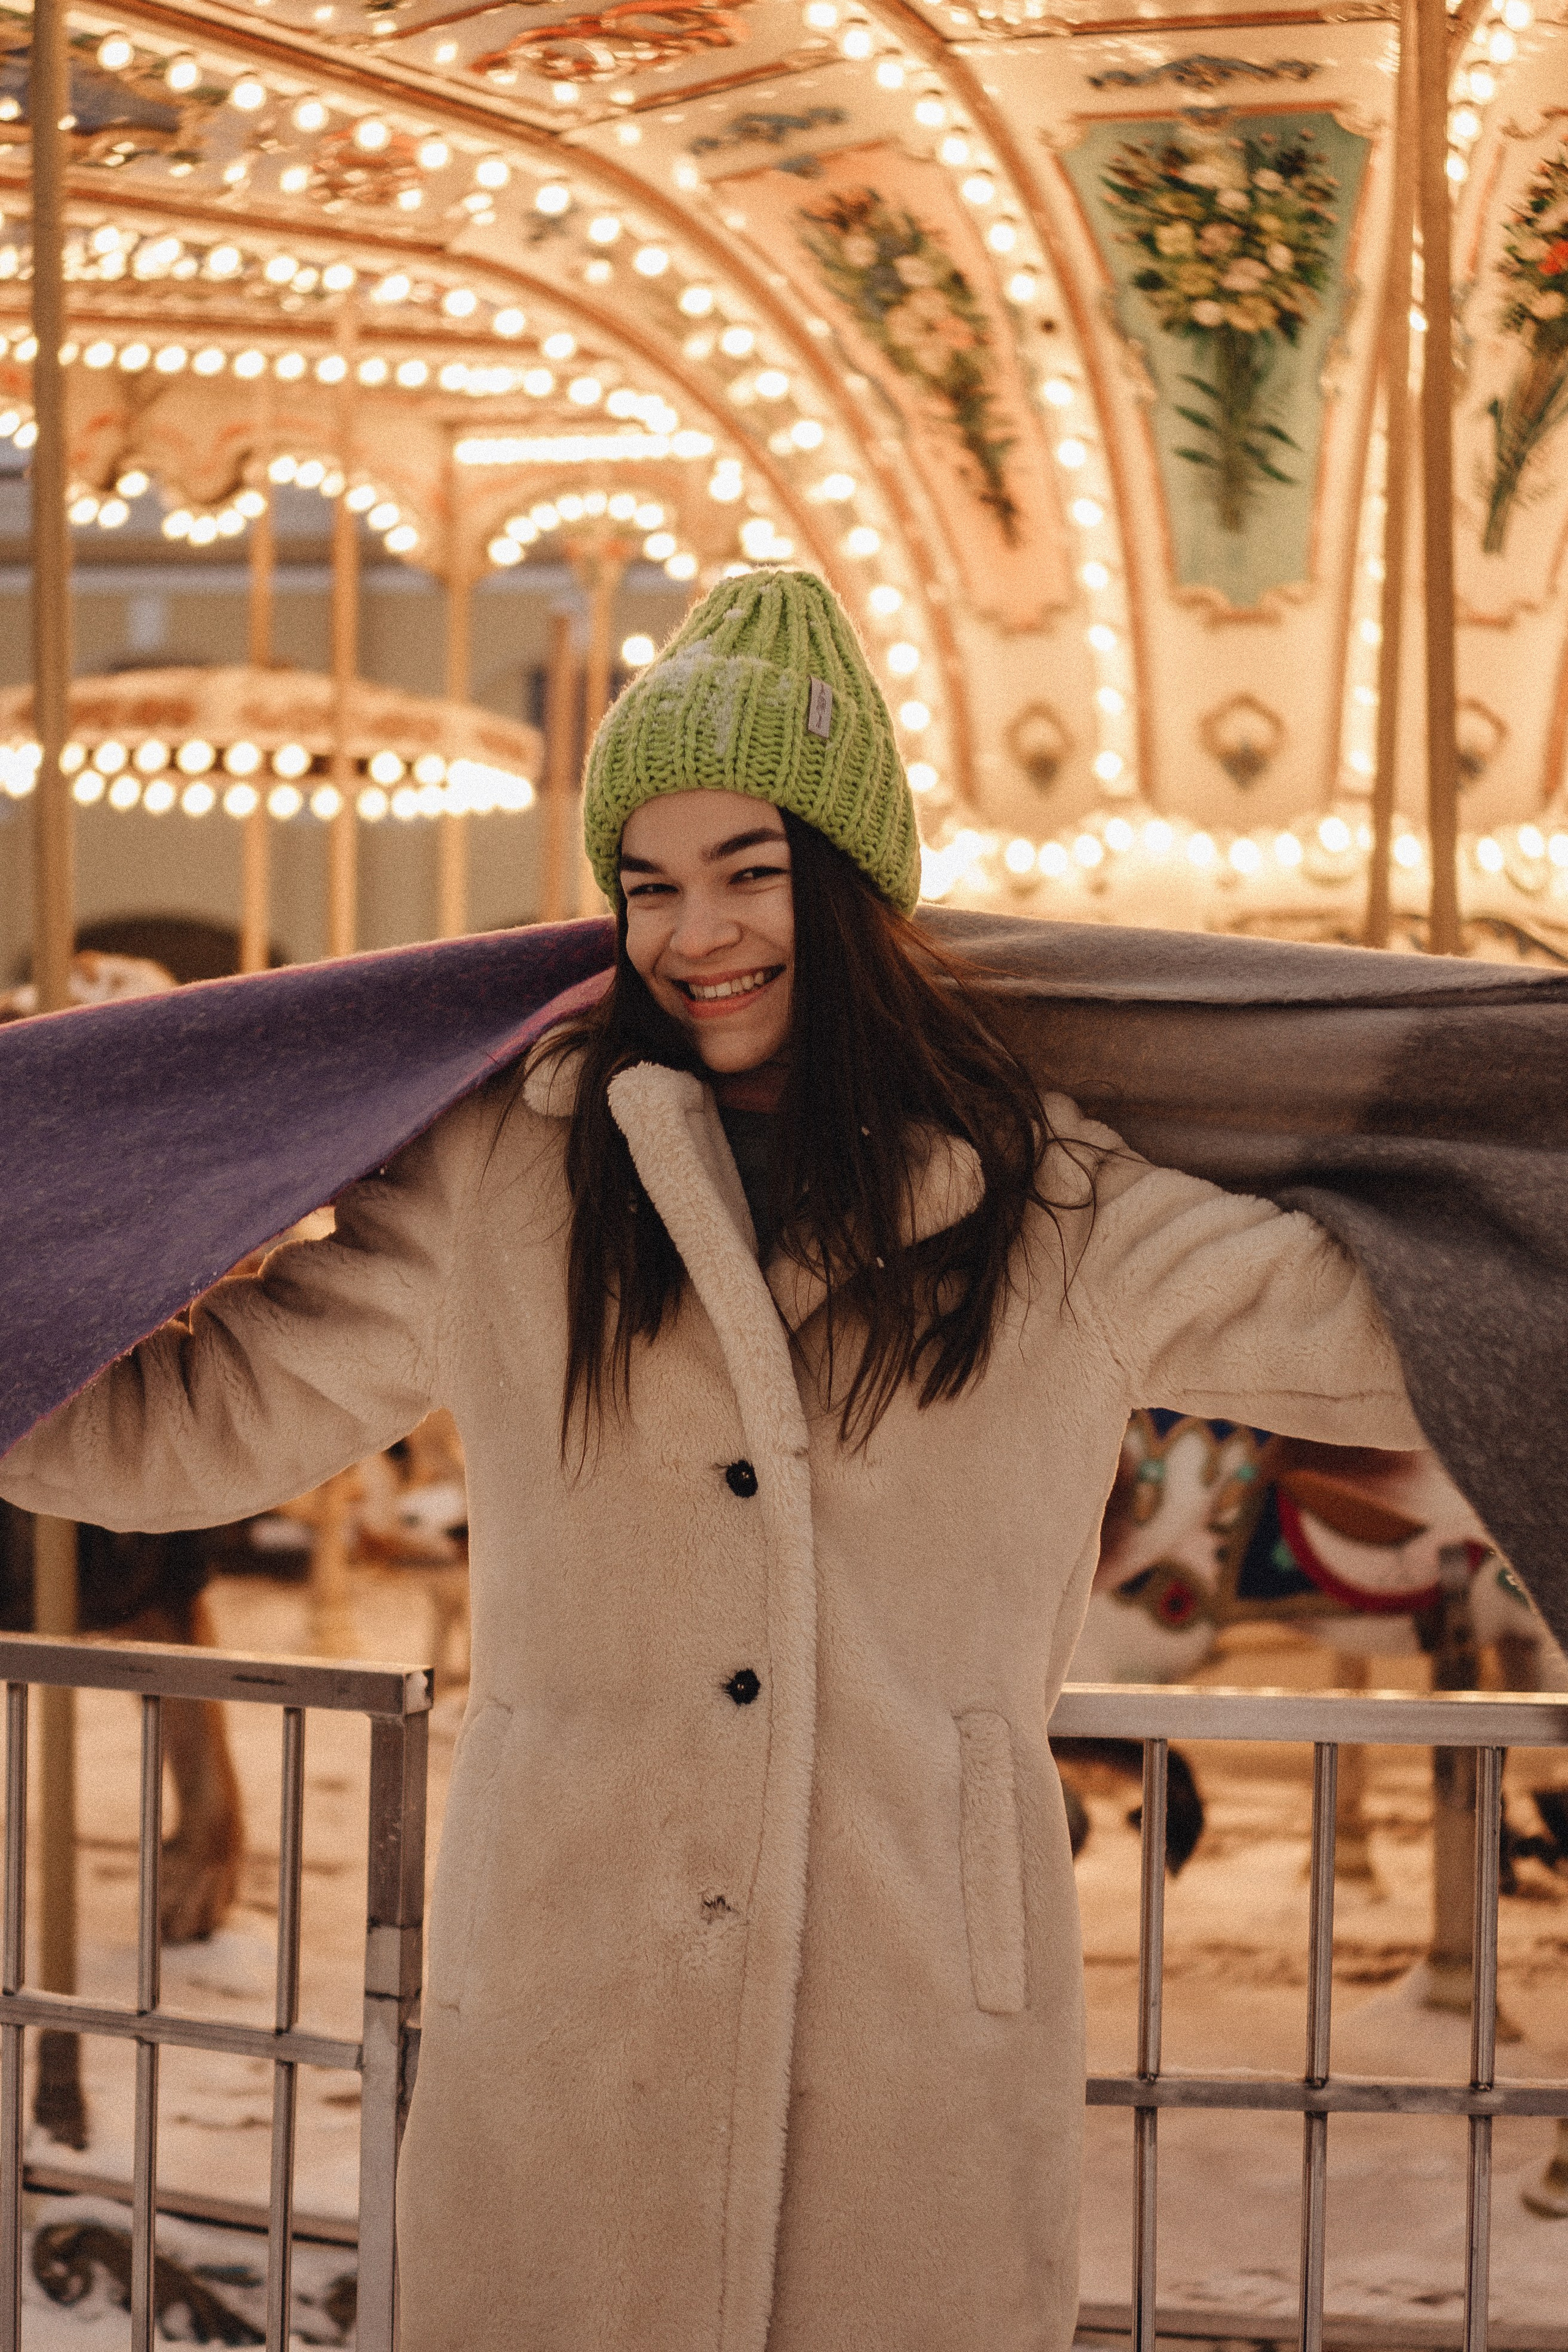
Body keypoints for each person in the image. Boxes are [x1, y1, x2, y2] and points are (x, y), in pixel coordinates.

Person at [0, 570, 1423, 2351]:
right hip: (570, 1999)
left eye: (751, 872)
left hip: (914, 2023)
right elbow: (199, 1426)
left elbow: (1387, 1339)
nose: (700, 933)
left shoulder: (1055, 1211)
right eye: (650, 885)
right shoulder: (505, 1180)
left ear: (846, 885)